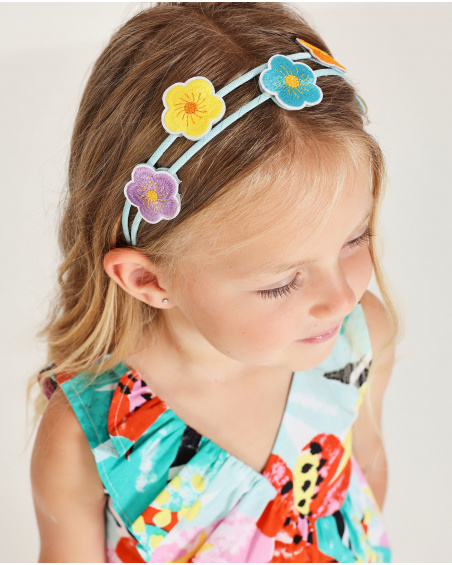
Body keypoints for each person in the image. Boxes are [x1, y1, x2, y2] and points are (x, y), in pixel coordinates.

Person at [30, 2, 399, 562]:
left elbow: (365, 471)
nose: (341, 298)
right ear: (148, 279)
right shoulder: (88, 436)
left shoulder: (360, 337)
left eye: (355, 238)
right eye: (281, 283)